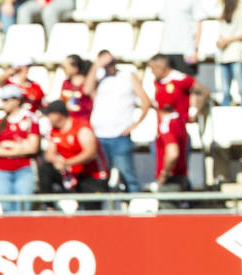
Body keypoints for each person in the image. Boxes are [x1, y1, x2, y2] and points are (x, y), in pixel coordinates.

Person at [84, 51, 151, 192]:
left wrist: (136, 124)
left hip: (120, 135)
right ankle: (105, 210)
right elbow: (86, 90)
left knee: (127, 174)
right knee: (101, 176)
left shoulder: (127, 76)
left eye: (111, 63)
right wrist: (96, 65)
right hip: (100, 135)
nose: (110, 67)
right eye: (106, 64)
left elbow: (146, 101)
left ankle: (134, 206)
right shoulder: (99, 77)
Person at [146, 54, 209, 196]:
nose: (151, 72)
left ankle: (185, 199)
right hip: (161, 133)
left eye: (152, 68)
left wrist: (194, 111)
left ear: (161, 67)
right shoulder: (158, 82)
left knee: (177, 170)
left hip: (176, 130)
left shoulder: (180, 79)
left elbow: (202, 92)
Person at [38, 100, 110, 205]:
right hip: (71, 174)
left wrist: (67, 163)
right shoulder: (54, 131)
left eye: (49, 115)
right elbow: (49, 154)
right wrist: (57, 161)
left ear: (57, 115)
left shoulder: (81, 128)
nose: (47, 118)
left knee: (91, 209)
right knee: (45, 169)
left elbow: (90, 153)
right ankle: (49, 206)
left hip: (92, 176)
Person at [0, 84, 38, 211]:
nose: (4, 103)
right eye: (3, 100)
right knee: (6, 207)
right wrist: (20, 148)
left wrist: (8, 145)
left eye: (7, 100)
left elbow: (32, 147)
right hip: (2, 169)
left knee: (23, 207)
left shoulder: (30, 119)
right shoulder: (0, 123)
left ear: (17, 100)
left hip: (23, 169)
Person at [215, 0, 242, 108]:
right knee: (225, 92)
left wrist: (228, 40)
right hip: (225, 56)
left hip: (239, 55)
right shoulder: (222, 8)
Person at [160, 0, 206, 75]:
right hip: (167, 50)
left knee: (186, 83)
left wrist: (195, 50)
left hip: (187, 51)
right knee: (168, 85)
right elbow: (165, 25)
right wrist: (160, 49)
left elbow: (199, 25)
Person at [58, 54, 93, 118]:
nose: (63, 70)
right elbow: (62, 101)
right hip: (69, 122)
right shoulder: (66, 83)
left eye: (65, 67)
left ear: (75, 68)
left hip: (83, 120)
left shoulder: (87, 82)